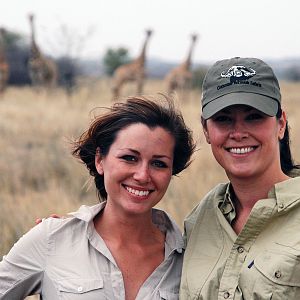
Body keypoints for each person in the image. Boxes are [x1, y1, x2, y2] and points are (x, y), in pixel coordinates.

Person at [0, 95, 196, 300]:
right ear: (100, 160)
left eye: (159, 163)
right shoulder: (52, 239)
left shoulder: (188, 258)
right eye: (129, 158)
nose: (142, 175)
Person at [180, 57, 300, 299]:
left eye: (253, 116)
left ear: (281, 124)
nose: (238, 133)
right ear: (206, 130)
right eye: (223, 119)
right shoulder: (199, 220)